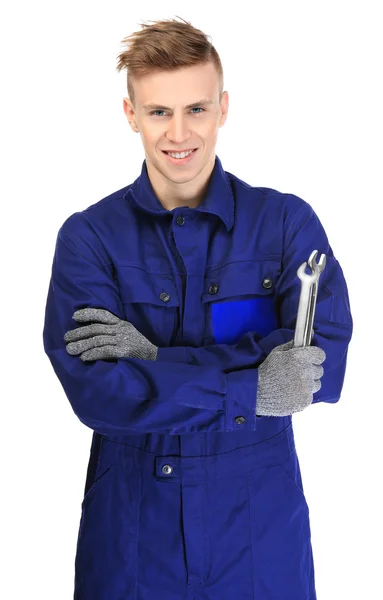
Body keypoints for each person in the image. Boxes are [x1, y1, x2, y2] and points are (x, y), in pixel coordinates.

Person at [42, 16, 353, 600]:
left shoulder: (286, 224)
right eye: (159, 112)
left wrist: (155, 356)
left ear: (224, 107)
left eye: (197, 109)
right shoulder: (89, 239)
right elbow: (99, 393)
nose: (179, 132)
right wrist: (252, 387)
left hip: (261, 538)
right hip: (133, 537)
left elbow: (321, 368)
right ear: (131, 114)